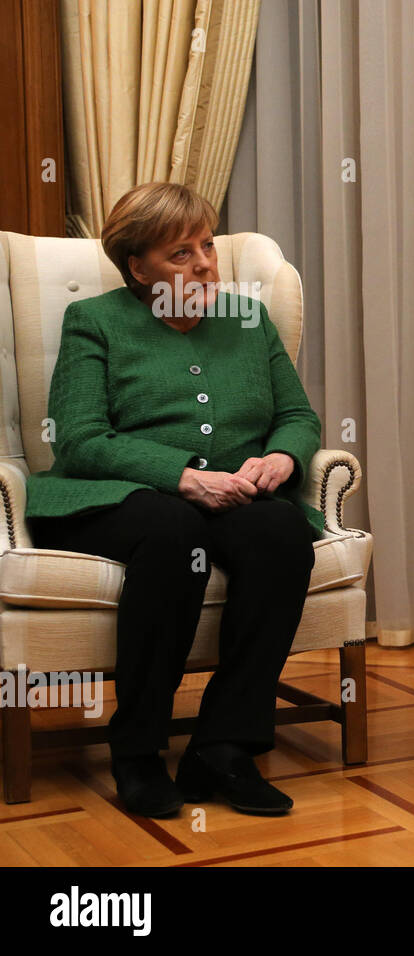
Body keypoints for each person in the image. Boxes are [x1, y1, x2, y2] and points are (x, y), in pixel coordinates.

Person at [24, 182, 325, 818]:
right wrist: (182, 475)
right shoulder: (96, 321)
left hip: (236, 491)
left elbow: (297, 415)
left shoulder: (248, 320)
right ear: (138, 267)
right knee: (170, 534)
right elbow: (79, 440)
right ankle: (136, 751)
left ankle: (222, 748)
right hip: (122, 494)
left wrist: (282, 457)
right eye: (180, 253)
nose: (206, 263)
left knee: (281, 534)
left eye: (207, 245)